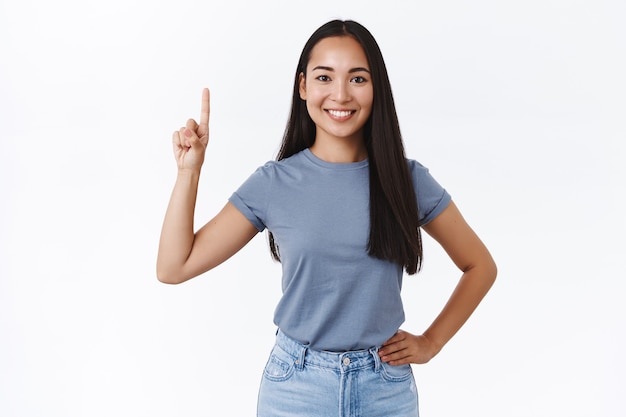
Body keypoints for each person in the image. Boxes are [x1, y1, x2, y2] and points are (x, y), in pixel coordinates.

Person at [157, 19, 496, 417]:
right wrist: (189, 173)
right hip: (295, 388)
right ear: (303, 87)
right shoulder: (274, 183)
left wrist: (431, 342)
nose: (340, 94)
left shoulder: (407, 180)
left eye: (357, 79)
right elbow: (173, 267)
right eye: (324, 77)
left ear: (376, 89)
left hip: (384, 387)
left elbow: (480, 266)